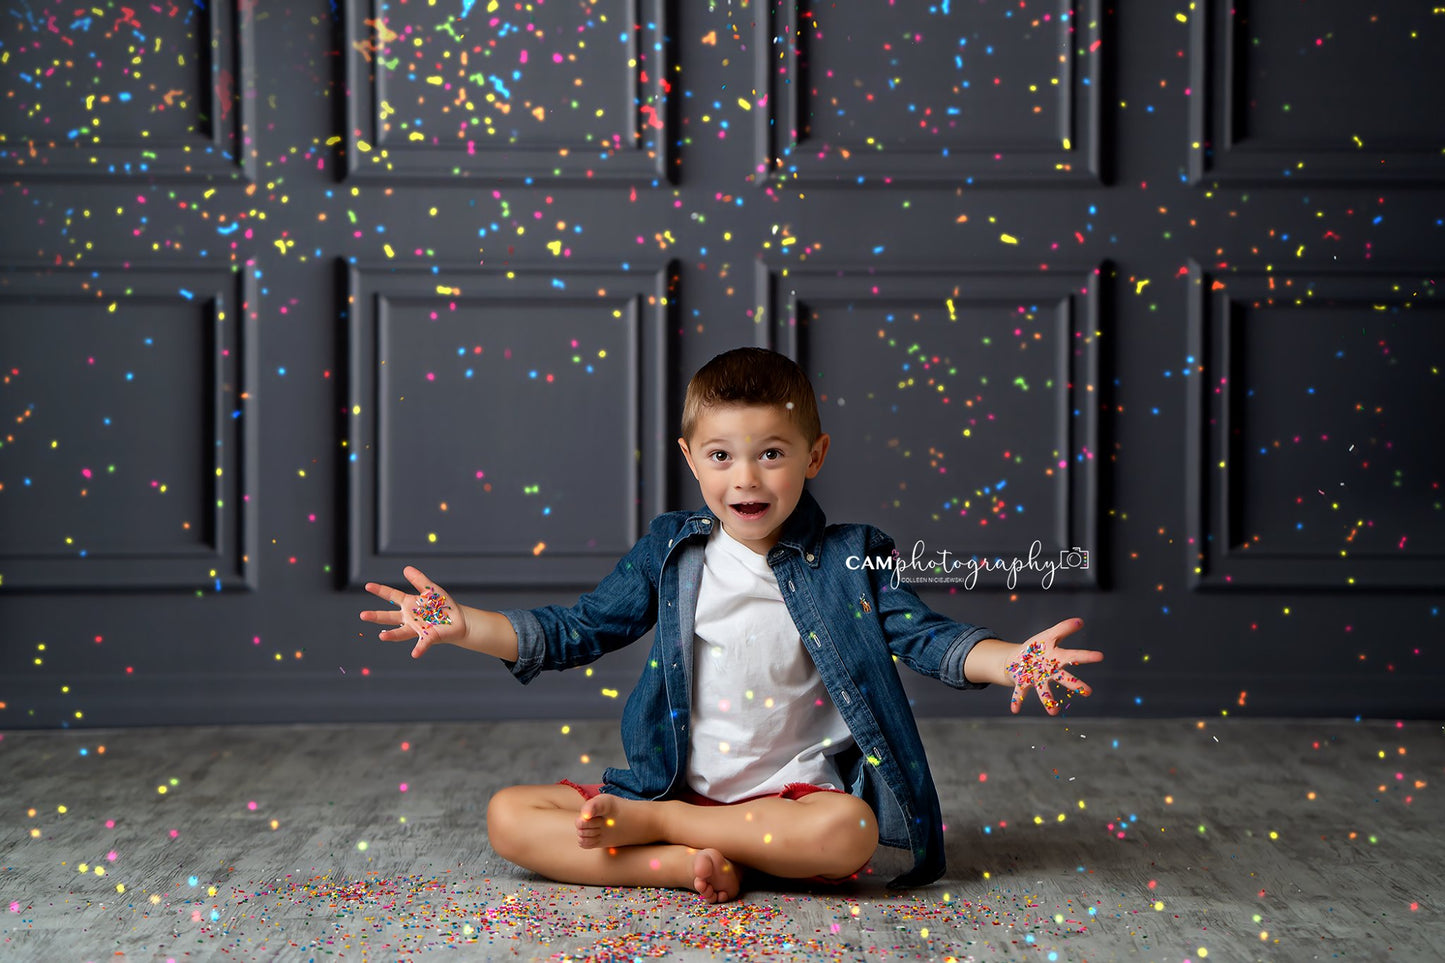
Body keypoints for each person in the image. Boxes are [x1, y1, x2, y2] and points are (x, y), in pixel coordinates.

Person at [359, 347, 1103, 903]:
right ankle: (687, 861)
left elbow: (923, 634)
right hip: (676, 788)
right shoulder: (672, 551)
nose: (745, 478)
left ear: (813, 456)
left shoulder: (850, 555)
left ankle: (665, 834)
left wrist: (1009, 660)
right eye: (722, 455)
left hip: (793, 803)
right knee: (508, 815)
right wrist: (464, 626)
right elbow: (575, 629)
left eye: (770, 454)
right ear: (691, 458)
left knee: (851, 831)